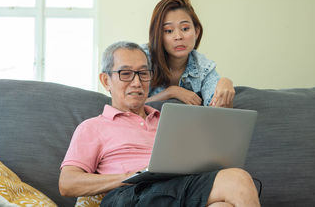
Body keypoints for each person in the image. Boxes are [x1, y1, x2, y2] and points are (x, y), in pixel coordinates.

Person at [59, 41, 260, 207]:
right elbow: (67, 183)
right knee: (237, 180)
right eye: (126, 73)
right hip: (129, 195)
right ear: (106, 80)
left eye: (143, 73)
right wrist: (130, 176)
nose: (137, 83)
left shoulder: (170, 120)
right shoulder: (92, 127)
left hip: (176, 188)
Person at [144, 0, 235, 108]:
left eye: (185, 29)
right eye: (168, 31)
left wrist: (225, 83)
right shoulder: (142, 59)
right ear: (158, 36)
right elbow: (127, 104)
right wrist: (171, 92)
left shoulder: (204, 68)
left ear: (196, 32)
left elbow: (216, 111)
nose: (178, 36)